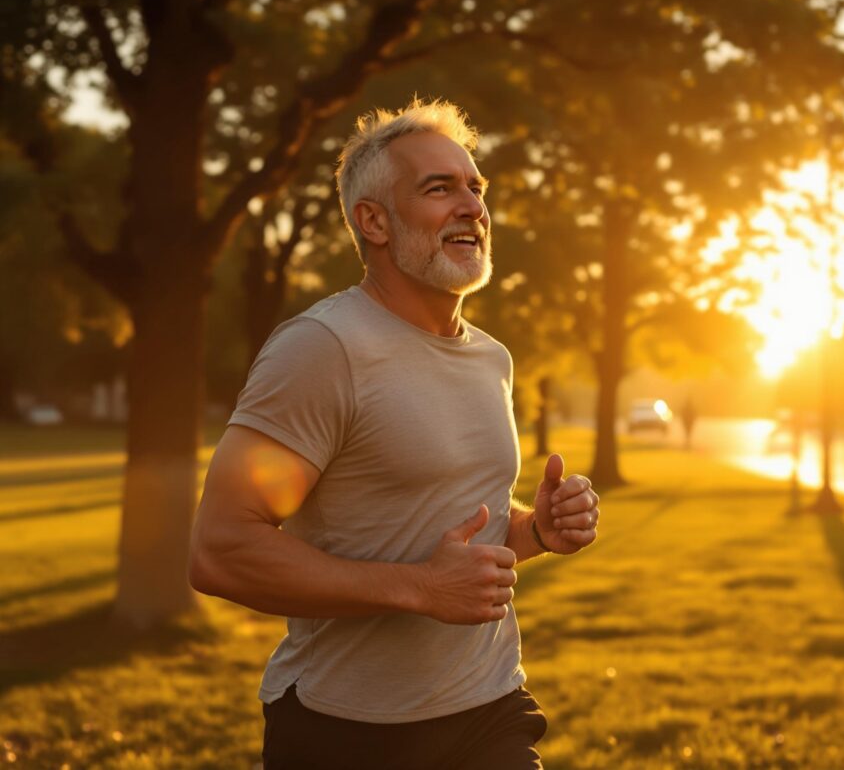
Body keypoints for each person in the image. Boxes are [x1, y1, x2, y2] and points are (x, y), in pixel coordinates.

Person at [188, 98, 601, 770]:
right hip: (345, 729)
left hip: (487, 707)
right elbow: (221, 550)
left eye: (475, 187)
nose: (471, 205)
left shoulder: (491, 357)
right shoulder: (322, 350)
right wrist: (421, 589)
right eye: (439, 188)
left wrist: (536, 529)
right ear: (373, 221)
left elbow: (455, 527)